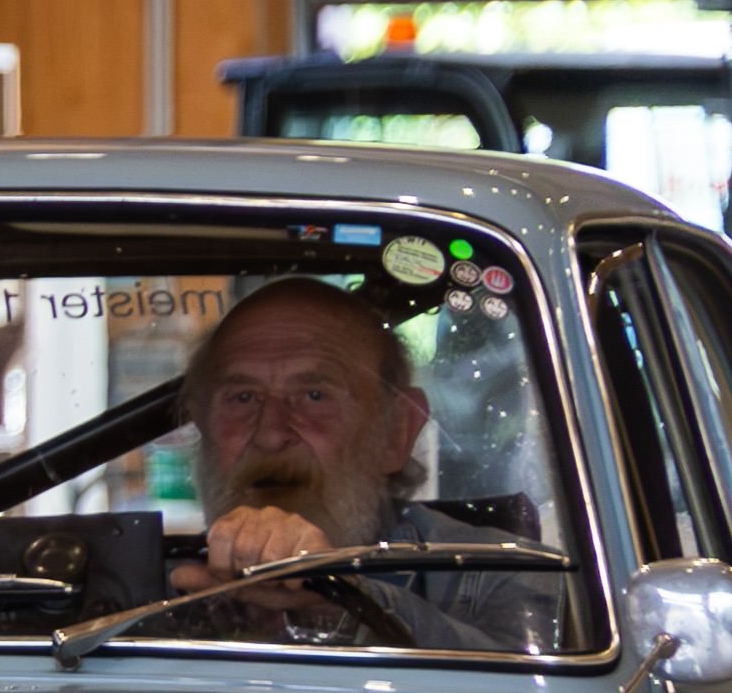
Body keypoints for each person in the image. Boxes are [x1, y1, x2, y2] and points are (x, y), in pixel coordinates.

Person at [159, 277, 575, 653]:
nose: (270, 434)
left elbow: (536, 692)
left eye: (314, 396)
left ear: (396, 432)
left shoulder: (503, 576)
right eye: (243, 398)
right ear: (201, 425)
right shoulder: (148, 586)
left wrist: (341, 602)